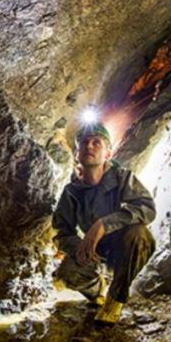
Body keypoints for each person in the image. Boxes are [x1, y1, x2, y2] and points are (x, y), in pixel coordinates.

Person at [52, 121, 156, 324]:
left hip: (122, 249)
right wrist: (80, 247)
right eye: (84, 143)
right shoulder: (71, 193)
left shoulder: (122, 178)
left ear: (108, 154)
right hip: (94, 251)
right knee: (67, 274)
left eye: (96, 143)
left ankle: (115, 299)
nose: (89, 146)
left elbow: (146, 208)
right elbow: (61, 232)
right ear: (77, 154)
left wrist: (103, 224)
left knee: (140, 234)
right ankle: (97, 291)